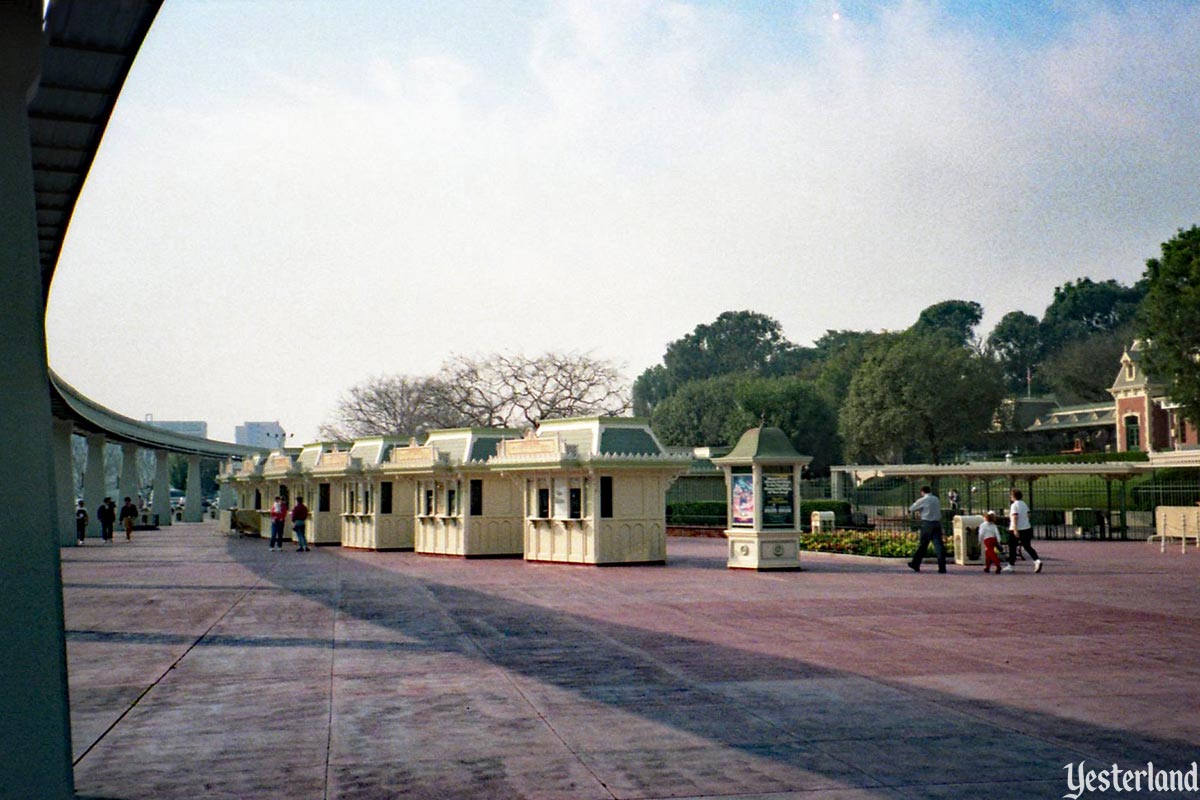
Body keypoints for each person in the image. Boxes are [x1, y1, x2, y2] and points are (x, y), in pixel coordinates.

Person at [907, 485, 946, 573]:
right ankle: (942, 567)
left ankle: (915, 564)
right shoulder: (936, 499)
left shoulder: (923, 499)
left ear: (922, 492)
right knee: (939, 546)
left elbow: (912, 508)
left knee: (923, 545)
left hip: (927, 523)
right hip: (937, 523)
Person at [1005, 488, 1043, 573]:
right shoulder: (1024, 504)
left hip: (1017, 529)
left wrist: (1015, 530)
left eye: (1011, 495)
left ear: (1013, 496)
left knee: (1012, 547)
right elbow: (1028, 515)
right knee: (1027, 546)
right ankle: (1037, 560)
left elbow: (1015, 517)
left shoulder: (1014, 505)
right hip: (1026, 528)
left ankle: (1011, 565)